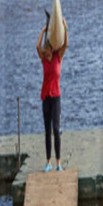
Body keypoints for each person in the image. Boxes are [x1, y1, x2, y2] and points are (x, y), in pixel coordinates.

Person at [36, 15, 68, 172]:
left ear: (51, 49)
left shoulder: (58, 58)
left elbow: (66, 44)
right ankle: (48, 162)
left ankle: (59, 163)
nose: (45, 52)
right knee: (47, 131)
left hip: (56, 98)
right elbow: (36, 46)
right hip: (45, 98)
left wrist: (65, 27)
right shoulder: (43, 60)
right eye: (44, 50)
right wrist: (43, 30)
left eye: (47, 49)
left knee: (56, 130)